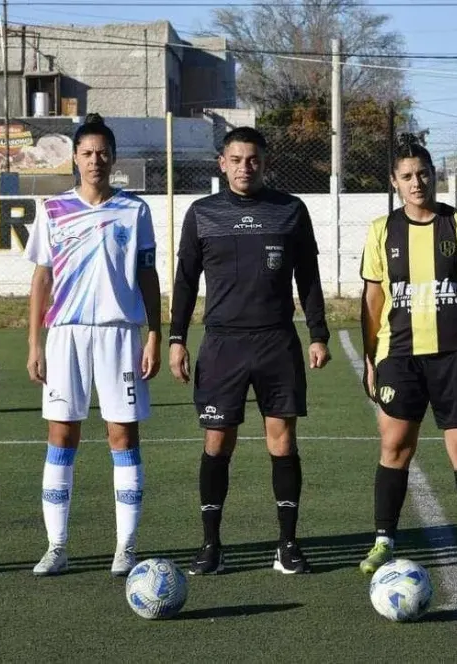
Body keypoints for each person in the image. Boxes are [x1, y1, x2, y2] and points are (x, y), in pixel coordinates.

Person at [168, 126, 331, 576]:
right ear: (222, 164)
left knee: (282, 441)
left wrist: (318, 334)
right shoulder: (202, 214)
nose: (245, 167)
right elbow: (185, 281)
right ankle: (211, 546)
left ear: (265, 162)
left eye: (253, 159)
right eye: (236, 159)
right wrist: (176, 338)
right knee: (218, 442)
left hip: (276, 340)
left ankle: (287, 544)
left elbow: (310, 278)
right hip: (222, 344)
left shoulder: (290, 211)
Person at [357, 134, 457, 575]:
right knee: (395, 445)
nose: (416, 182)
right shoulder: (382, 230)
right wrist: (370, 359)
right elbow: (371, 302)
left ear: (434, 175)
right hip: (398, 356)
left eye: (423, 173)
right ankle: (384, 539)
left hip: (456, 353)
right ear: (394, 183)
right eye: (407, 176)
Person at [25, 113, 162, 578]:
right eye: (87, 152)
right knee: (61, 436)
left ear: (113, 158)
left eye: (103, 152)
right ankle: (57, 546)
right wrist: (35, 343)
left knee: (122, 437)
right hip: (65, 333)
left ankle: (126, 547)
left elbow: (147, 274)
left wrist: (155, 334)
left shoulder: (134, 210)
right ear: (75, 158)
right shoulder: (52, 209)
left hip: (120, 334)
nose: (95, 160)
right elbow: (41, 277)